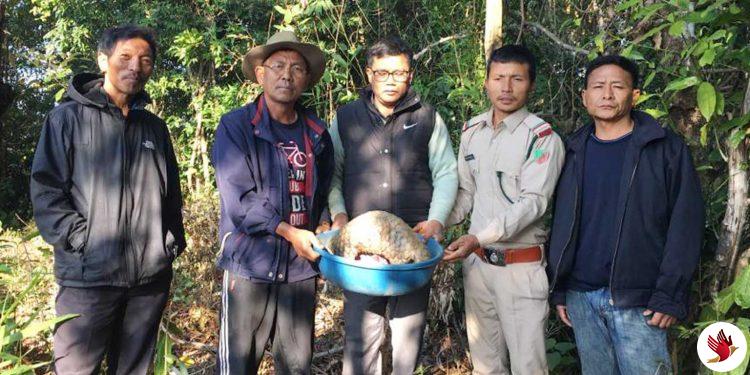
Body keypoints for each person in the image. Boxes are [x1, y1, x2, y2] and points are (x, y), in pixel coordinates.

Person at [30, 25, 185, 374]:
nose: (135, 67)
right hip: (88, 279)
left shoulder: (154, 129)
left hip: (148, 281)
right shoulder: (66, 119)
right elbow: (46, 190)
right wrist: (82, 240)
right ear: (104, 60)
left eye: (145, 60)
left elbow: (171, 197)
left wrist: (168, 243)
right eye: (125, 57)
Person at [546, 55, 705, 375]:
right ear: (584, 97)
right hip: (581, 296)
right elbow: (563, 223)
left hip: (640, 300)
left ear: (635, 95)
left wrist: (668, 294)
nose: (607, 94)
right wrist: (560, 287)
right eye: (598, 87)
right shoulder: (572, 150)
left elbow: (686, 225)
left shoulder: (664, 149)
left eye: (617, 86)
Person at [327, 36, 458, 374]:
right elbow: (332, 174)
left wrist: (436, 222)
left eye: (399, 73)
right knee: (361, 342)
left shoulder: (428, 118)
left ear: (410, 75)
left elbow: (446, 173)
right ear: (369, 74)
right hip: (361, 253)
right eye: (382, 72)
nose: (390, 80)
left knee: (407, 342)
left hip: (414, 248)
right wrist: (340, 215)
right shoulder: (346, 118)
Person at [212, 30, 334, 374]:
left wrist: (323, 224)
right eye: (278, 65)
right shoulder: (236, 127)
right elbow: (239, 199)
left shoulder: (316, 132)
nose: (287, 74)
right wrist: (287, 231)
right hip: (250, 265)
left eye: (297, 68)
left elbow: (321, 192)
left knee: (297, 366)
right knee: (238, 365)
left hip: (299, 271)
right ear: (260, 74)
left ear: (306, 79)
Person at [444, 45, 565, 374]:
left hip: (520, 270)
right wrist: (435, 223)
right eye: (498, 78)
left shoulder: (541, 138)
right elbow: (466, 192)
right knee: (485, 364)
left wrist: (477, 237)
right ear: (486, 82)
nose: (506, 87)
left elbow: (534, 203)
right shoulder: (472, 131)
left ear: (531, 84)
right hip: (477, 268)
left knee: (529, 366)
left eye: (516, 79)